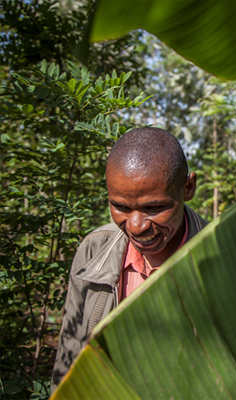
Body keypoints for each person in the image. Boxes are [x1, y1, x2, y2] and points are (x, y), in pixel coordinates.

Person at [51, 127, 208, 392]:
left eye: (154, 208)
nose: (136, 226)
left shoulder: (220, 256)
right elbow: (69, 357)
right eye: (121, 207)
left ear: (188, 188)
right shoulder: (93, 249)